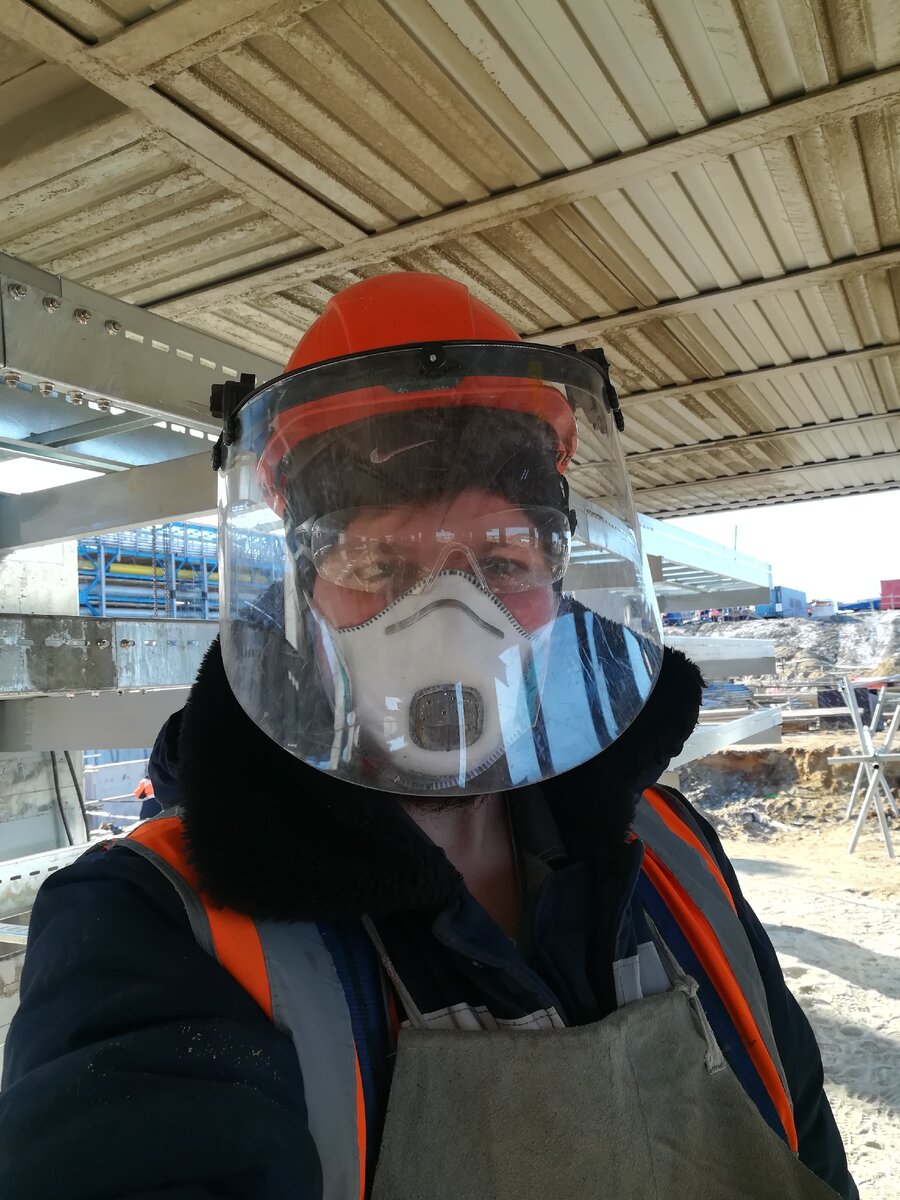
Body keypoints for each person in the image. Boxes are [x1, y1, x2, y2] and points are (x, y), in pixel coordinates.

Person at [0, 273, 855, 1199]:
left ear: (557, 583)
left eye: (504, 560)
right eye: (374, 563)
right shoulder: (152, 925)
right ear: (303, 598)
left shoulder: (676, 849)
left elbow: (804, 1138)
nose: (449, 617)